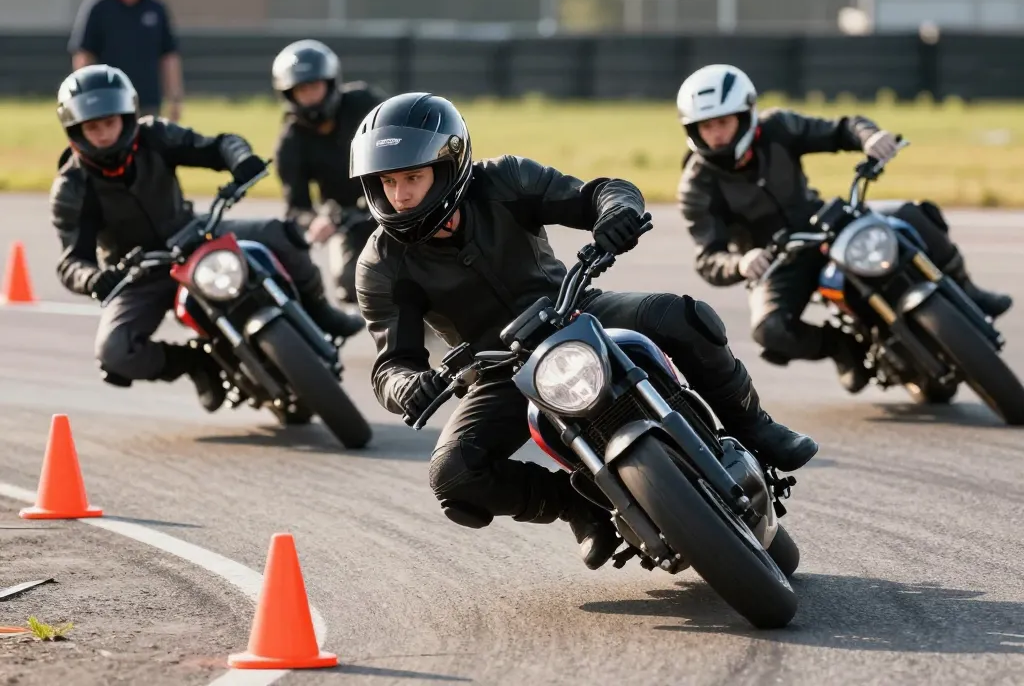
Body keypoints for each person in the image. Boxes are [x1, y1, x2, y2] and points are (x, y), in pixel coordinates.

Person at [351, 92, 818, 571]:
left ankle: (754, 427)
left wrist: (617, 213)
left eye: (413, 177)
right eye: (388, 181)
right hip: (501, 370)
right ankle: (580, 506)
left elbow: (598, 191)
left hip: (577, 312)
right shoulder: (380, 265)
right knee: (452, 476)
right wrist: (407, 385)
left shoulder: (505, 180)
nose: (400, 195)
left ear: (448, 168)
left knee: (684, 316)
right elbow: (392, 364)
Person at [675, 64, 1012, 394]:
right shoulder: (696, 186)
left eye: (723, 122)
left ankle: (967, 290)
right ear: (693, 131)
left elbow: (841, 128)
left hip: (828, 224)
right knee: (770, 330)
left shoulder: (778, 126)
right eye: (705, 126)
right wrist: (741, 263)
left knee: (911, 214)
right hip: (777, 260)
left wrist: (870, 137)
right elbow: (708, 257)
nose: (715, 133)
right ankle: (843, 349)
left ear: (745, 115)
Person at [49, 64, 363, 412]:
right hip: (138, 272)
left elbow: (217, 145)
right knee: (114, 353)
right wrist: (93, 277)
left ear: (128, 116)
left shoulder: (154, 136)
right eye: (93, 127)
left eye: (110, 122)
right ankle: (196, 363)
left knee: (281, 233)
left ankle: (319, 311)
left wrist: (240, 160)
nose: (104, 133)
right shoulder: (71, 187)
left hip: (195, 236)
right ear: (75, 130)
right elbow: (71, 261)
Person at [271, 39, 388, 325]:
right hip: (346, 218)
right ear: (290, 95)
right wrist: (317, 220)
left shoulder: (364, 103)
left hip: (394, 197)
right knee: (348, 281)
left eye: (314, 86)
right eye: (301, 90)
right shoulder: (290, 143)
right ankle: (395, 325)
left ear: (331, 82)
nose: (309, 95)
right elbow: (296, 207)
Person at [68, 0, 183, 120]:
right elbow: (84, 55)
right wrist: (85, 97)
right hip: (109, 103)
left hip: (148, 102)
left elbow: (169, 56)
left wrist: (175, 98)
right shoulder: (98, 7)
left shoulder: (155, 8)